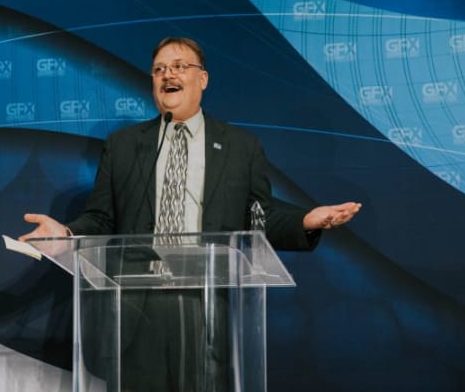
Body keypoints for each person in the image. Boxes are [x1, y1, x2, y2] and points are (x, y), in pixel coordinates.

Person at [19, 37, 361, 391]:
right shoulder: (124, 145)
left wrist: (305, 220)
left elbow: (258, 218)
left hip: (206, 303)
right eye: (159, 69)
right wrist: (67, 234)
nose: (169, 74)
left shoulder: (240, 147)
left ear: (203, 79)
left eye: (180, 66)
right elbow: (102, 218)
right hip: (136, 306)